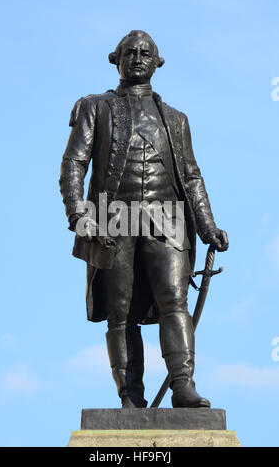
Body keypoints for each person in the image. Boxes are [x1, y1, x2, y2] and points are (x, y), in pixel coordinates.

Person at [59, 30, 229, 408]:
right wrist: (78, 212)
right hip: (112, 219)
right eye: (129, 52)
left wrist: (207, 225)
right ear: (115, 59)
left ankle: (183, 385)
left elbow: (191, 175)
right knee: (120, 312)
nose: (137, 57)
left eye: (146, 53)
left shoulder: (176, 119)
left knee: (174, 300)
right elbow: (74, 162)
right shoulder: (95, 107)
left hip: (167, 218)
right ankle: (130, 398)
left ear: (157, 62)